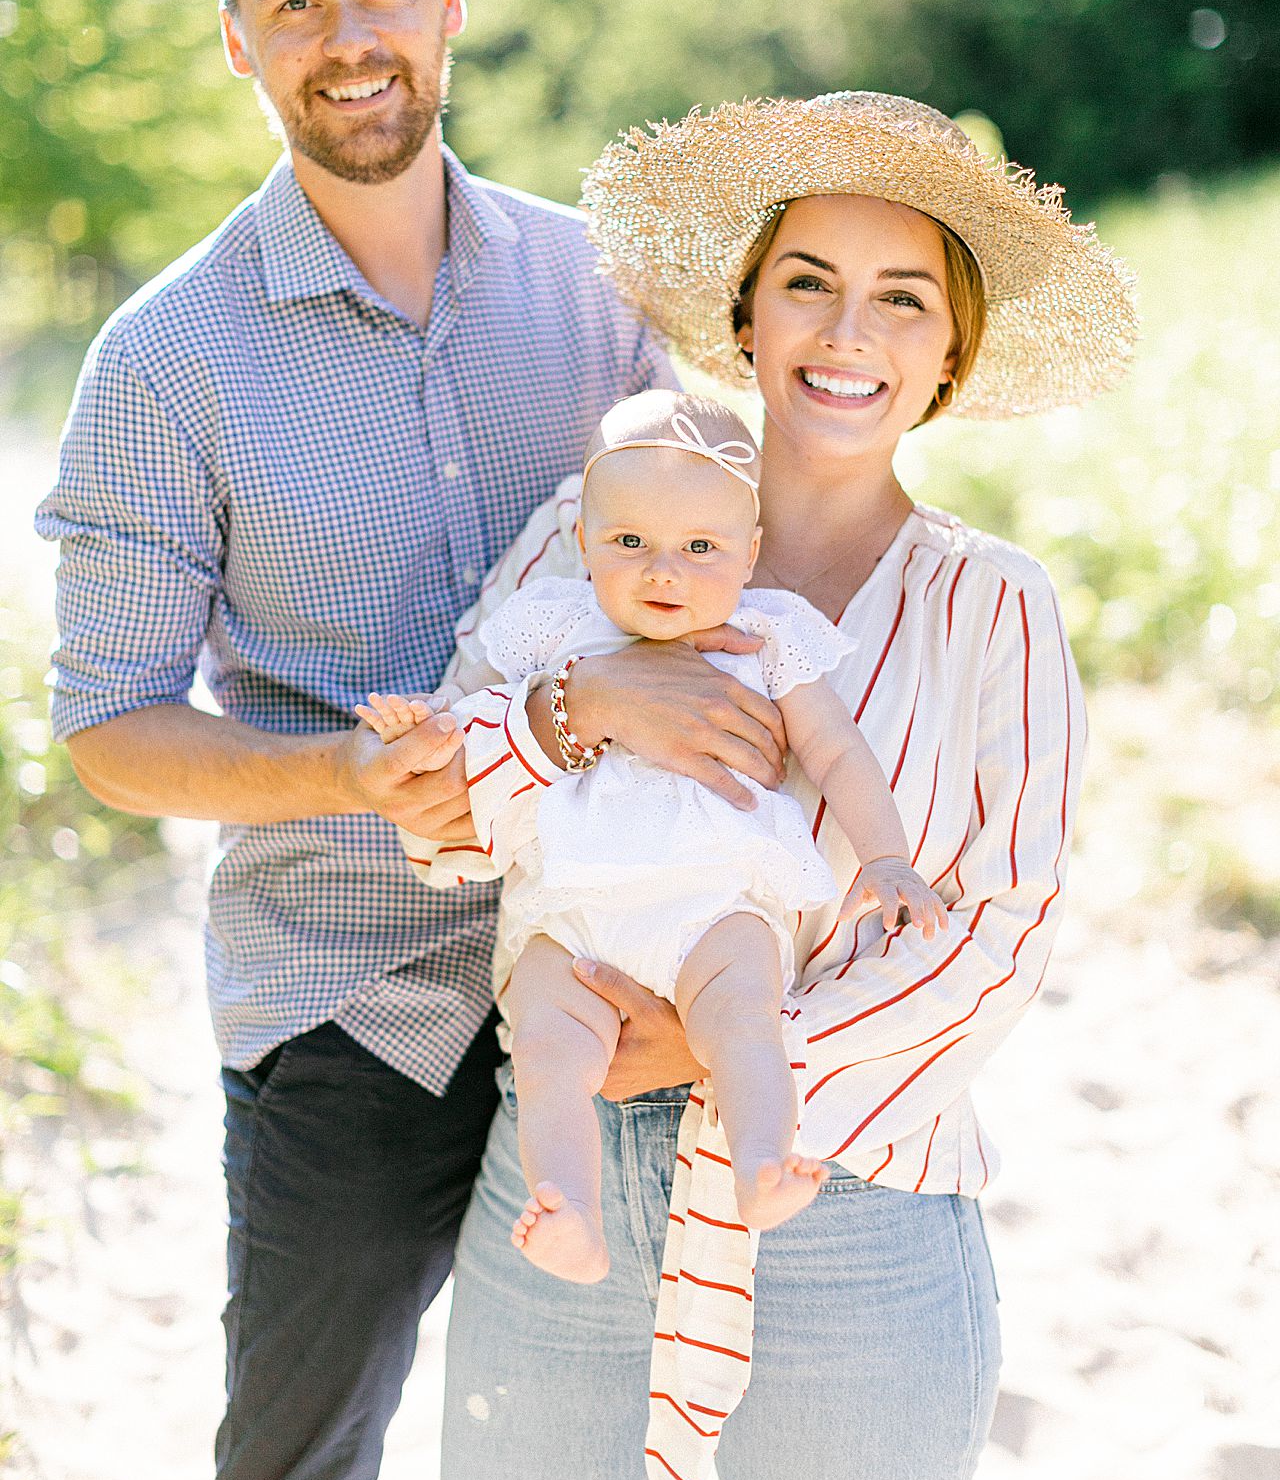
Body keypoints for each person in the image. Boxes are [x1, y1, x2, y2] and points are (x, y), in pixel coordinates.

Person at [32, 0, 684, 1480]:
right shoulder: (166, 357)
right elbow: (107, 727)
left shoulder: (605, 288)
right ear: (240, 43)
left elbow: (718, 560)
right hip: (348, 998)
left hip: (616, 975)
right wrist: (348, 778)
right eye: (297, 5)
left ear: (450, 1)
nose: (350, 39)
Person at [402, 91, 1137, 1480]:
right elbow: (433, 826)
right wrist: (581, 712)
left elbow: (998, 935)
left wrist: (734, 1055)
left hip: (850, 1196)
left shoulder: (993, 605)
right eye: (808, 284)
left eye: (901, 301)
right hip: (572, 1159)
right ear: (748, 319)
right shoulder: (585, 533)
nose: (846, 334)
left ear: (950, 355)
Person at [360, 388, 945, 1297]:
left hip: (716, 899)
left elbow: (837, 748)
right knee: (550, 1048)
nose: (663, 571)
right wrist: (425, 724)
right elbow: (479, 713)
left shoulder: (766, 633)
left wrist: (885, 854)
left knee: (743, 1022)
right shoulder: (559, 628)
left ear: (749, 554)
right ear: (586, 542)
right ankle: (569, 1212)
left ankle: (762, 1163)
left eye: (700, 549)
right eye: (630, 543)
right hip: (574, 907)